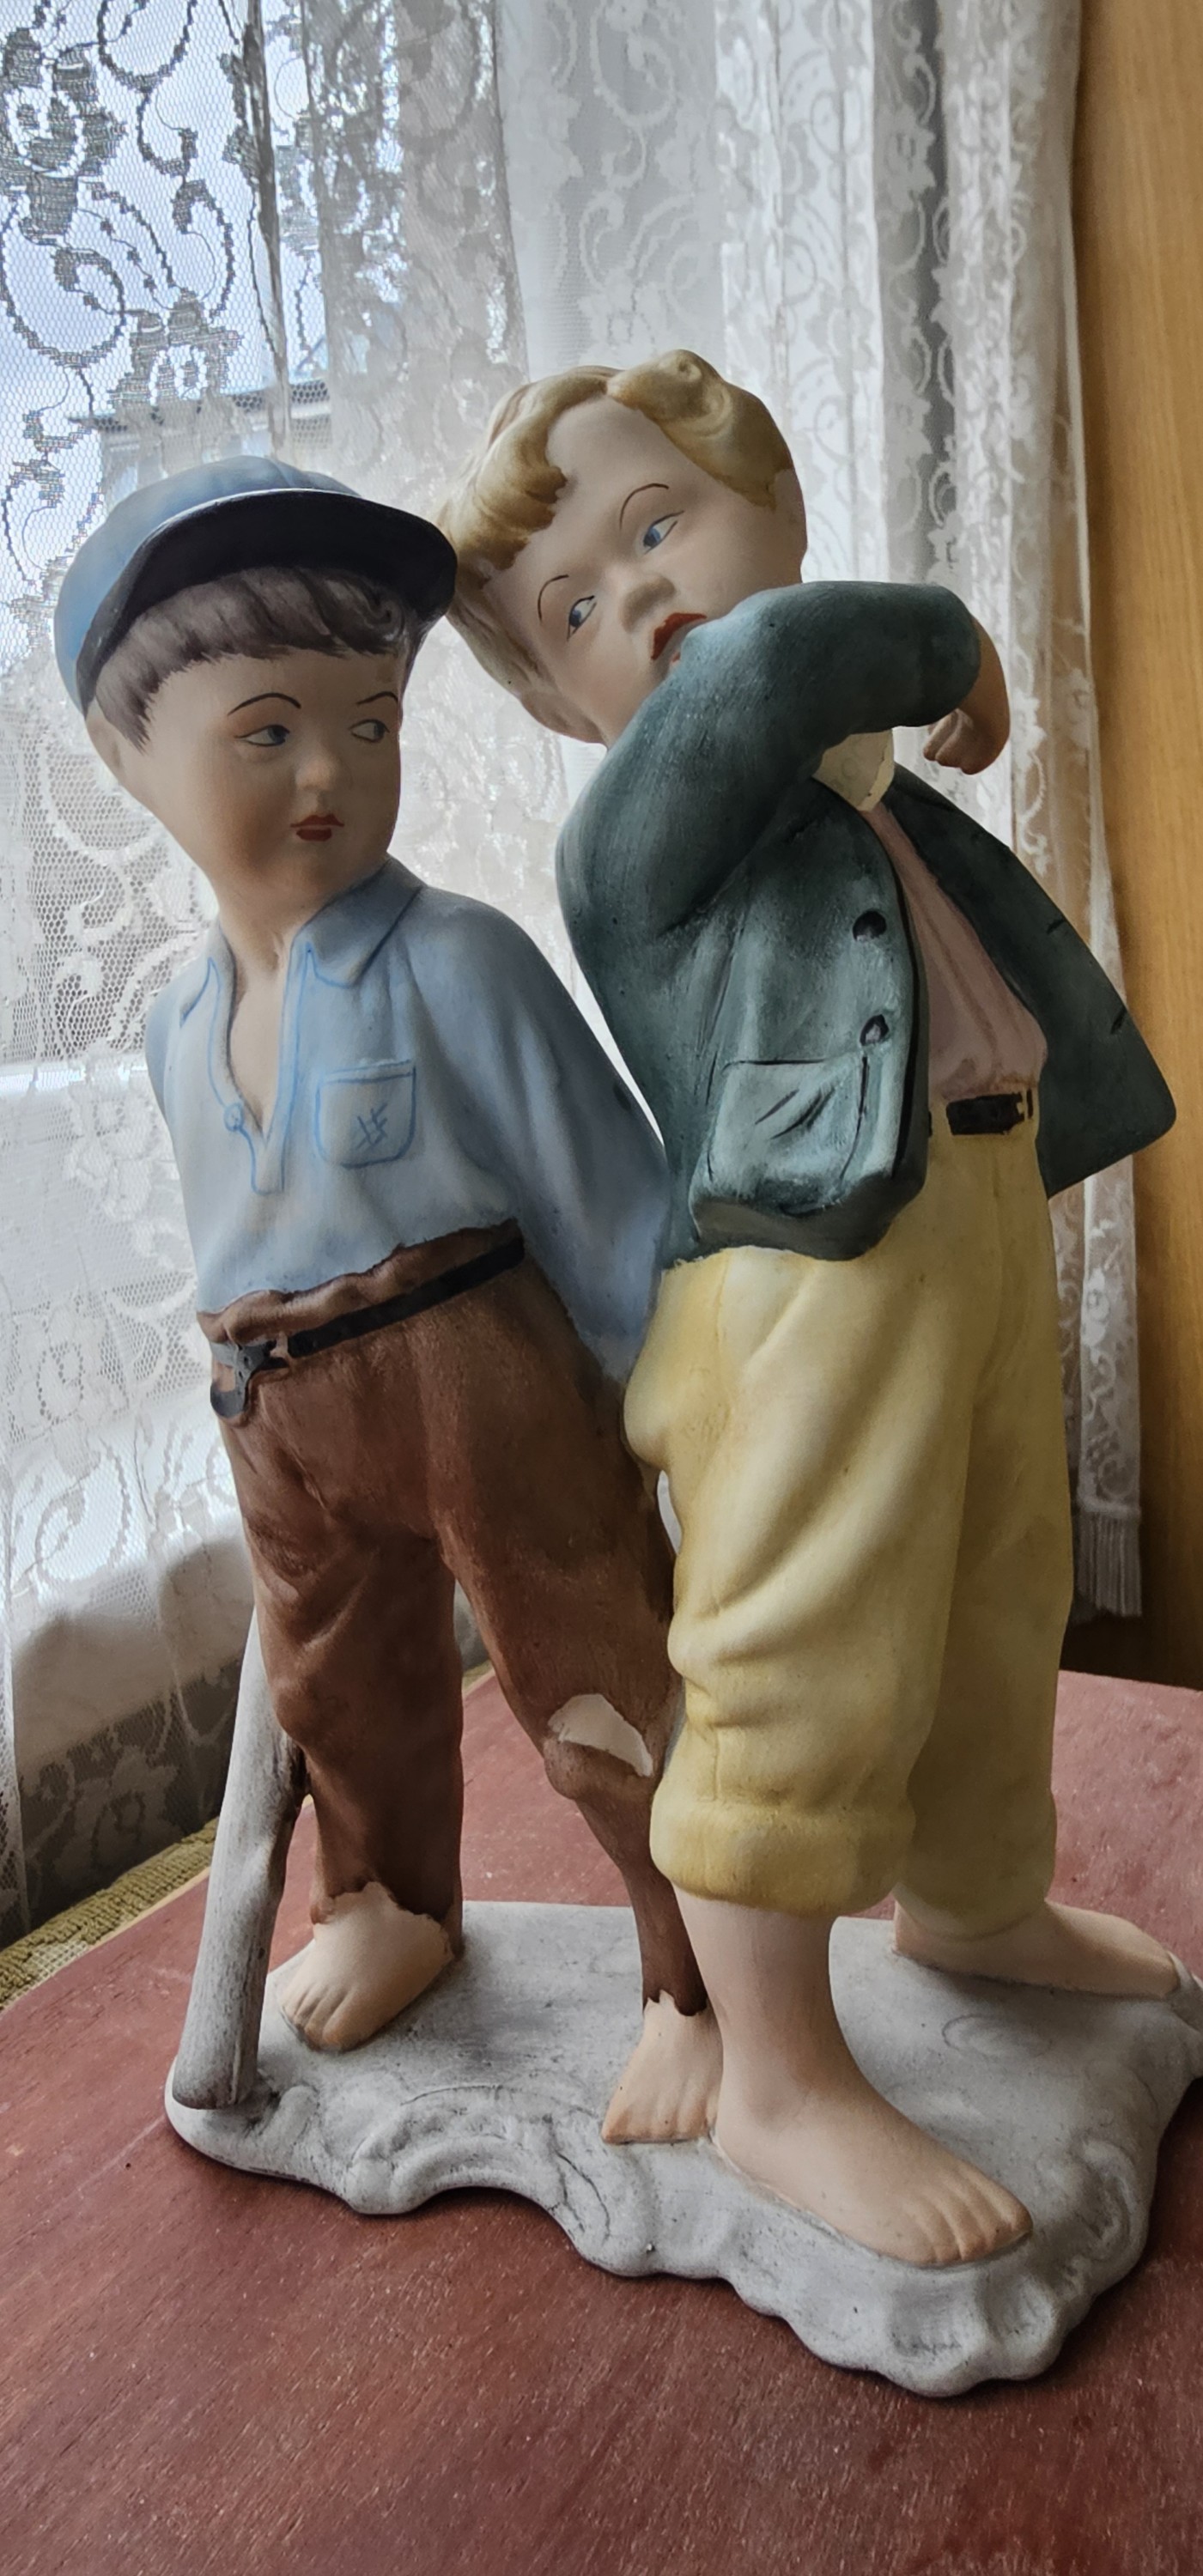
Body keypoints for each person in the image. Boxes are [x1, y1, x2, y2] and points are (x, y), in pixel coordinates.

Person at [434, 349, 1179, 2266]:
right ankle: (770, 2076)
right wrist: (948, 649)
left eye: (659, 523)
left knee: (995, 1593)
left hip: (971, 1215)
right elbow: (766, 668)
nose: (639, 597)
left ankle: (974, 1903)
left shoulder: (858, 802)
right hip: (798, 1286)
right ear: (554, 704)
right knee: (802, 1650)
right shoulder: (644, 830)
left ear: (771, 504)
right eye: (571, 611)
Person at [55, 453, 719, 2142]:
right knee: (337, 1689)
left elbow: (606, 1197)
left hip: (472, 1365)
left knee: (592, 1673)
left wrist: (689, 1418)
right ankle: (391, 1902)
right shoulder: (172, 1027)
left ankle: (696, 1971)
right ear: (127, 758)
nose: (329, 773)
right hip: (273, 1398)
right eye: (266, 729)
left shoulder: (454, 961)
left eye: (370, 722)